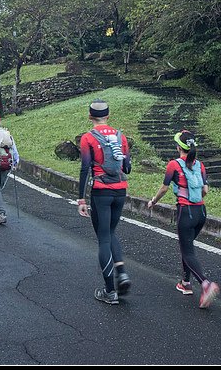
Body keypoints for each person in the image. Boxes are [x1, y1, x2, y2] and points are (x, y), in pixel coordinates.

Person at [147, 129, 220, 309]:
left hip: (185, 212)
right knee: (187, 247)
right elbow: (205, 191)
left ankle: (205, 284)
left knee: (187, 251)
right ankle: (185, 283)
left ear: (178, 147)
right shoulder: (200, 165)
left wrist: (153, 201)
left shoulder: (174, 165)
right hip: (201, 213)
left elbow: (164, 189)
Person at [77, 99, 132, 305]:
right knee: (110, 232)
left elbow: (85, 168)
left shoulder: (88, 138)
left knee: (103, 238)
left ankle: (110, 291)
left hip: (101, 192)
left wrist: (81, 198)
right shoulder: (121, 136)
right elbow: (127, 168)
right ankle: (122, 273)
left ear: (90, 116)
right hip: (120, 191)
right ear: (108, 116)